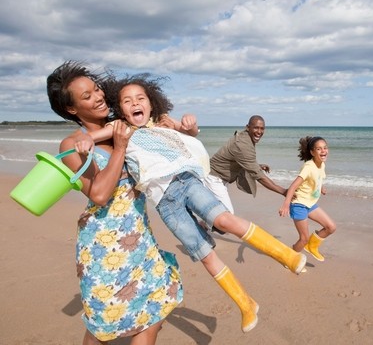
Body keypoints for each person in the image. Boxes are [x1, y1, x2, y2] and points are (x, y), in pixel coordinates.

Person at [76, 74, 307, 333]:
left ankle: (286, 255)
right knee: (205, 255)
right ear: (121, 110)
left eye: (140, 98)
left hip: (186, 181)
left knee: (224, 220)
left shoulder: (162, 123)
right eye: (127, 101)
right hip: (165, 203)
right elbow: (96, 135)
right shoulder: (122, 129)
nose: (135, 103)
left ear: (151, 103)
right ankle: (246, 304)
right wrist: (86, 141)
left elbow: (189, 135)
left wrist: (189, 124)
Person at [46, 61, 183, 345]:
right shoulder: (72, 144)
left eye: (96, 89)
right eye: (86, 96)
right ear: (72, 109)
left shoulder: (125, 127)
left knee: (155, 307)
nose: (97, 97)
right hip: (103, 244)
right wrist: (120, 147)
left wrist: (181, 130)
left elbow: (170, 154)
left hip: (139, 236)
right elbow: (98, 194)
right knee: (103, 325)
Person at [204, 115, 286, 214]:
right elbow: (259, 176)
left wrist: (257, 165)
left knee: (216, 214)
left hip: (217, 177)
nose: (259, 132)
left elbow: (241, 160)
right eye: (256, 127)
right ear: (248, 127)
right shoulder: (243, 144)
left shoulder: (246, 137)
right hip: (214, 179)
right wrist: (284, 191)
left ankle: (203, 226)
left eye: (262, 128)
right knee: (227, 215)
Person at [278, 136, 336, 262]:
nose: (323, 151)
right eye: (319, 149)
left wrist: (321, 188)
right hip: (299, 205)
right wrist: (286, 204)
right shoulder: (308, 167)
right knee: (303, 239)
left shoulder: (322, 165)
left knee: (331, 227)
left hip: (310, 204)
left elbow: (318, 178)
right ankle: (289, 259)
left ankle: (312, 246)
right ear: (312, 152)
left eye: (325, 148)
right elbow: (293, 186)